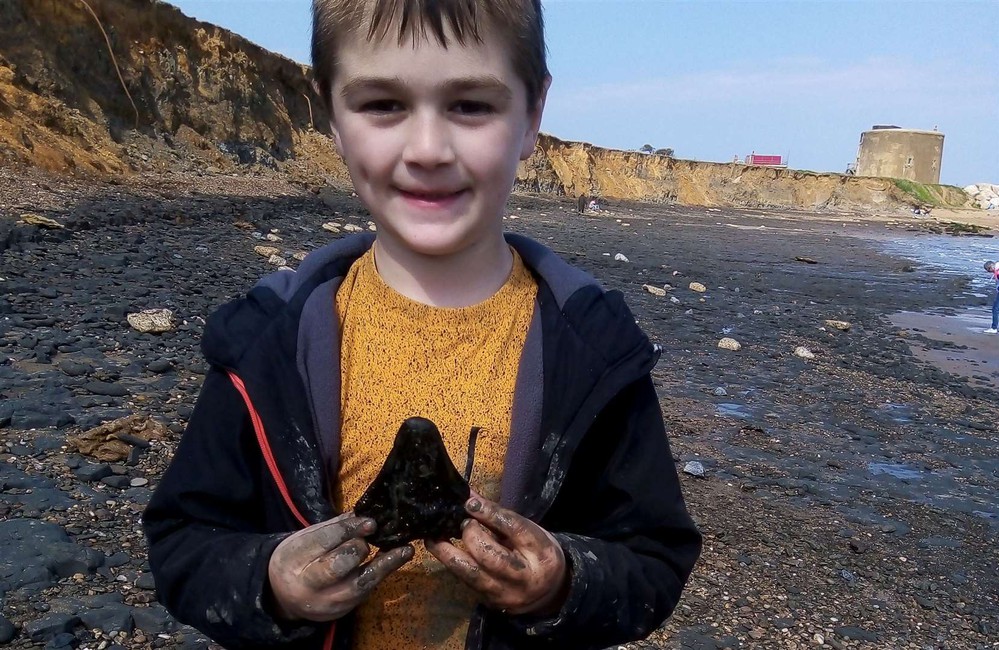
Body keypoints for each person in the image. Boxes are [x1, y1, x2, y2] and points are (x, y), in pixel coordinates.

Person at [142, 1, 701, 649]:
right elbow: (184, 543)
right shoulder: (264, 346)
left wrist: (562, 582)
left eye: (471, 105)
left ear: (532, 116)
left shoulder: (594, 351)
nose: (428, 149)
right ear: (330, 113)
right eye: (382, 104)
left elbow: (654, 558)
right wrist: (270, 582)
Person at [984, 261, 999, 334]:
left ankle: (994, 328)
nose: (989, 272)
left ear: (991, 267)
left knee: (995, 309)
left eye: (988, 270)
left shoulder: (998, 272)